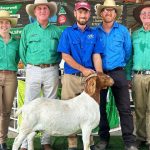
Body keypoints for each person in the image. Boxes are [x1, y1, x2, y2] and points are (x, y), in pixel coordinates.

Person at [57, 1, 103, 150]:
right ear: (75, 13)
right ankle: (72, 144)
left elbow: (96, 56)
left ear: (89, 14)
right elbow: (65, 55)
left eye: (85, 12)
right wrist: (83, 69)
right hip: (71, 77)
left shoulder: (94, 33)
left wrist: (99, 75)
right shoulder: (67, 32)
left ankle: (88, 143)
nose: (83, 15)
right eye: (80, 12)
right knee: (68, 109)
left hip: (90, 79)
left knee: (89, 111)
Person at [95, 0, 138, 150]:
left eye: (111, 10)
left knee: (125, 108)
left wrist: (125, 73)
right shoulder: (95, 31)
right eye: (105, 10)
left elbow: (128, 53)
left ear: (116, 13)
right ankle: (103, 140)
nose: (108, 12)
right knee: (100, 108)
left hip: (118, 73)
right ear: (101, 13)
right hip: (100, 74)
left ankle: (129, 142)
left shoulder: (123, 31)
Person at [19, 0, 61, 150]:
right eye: (39, 8)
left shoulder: (57, 31)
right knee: (30, 106)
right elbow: (22, 52)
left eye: (45, 8)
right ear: (35, 12)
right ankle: (24, 142)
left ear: (49, 12)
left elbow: (61, 52)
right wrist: (31, 65)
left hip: (52, 70)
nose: (42, 10)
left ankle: (45, 141)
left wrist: (53, 66)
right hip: (33, 69)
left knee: (51, 106)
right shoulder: (27, 30)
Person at [130, 1, 150, 149]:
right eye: (144, 13)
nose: (146, 15)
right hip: (138, 76)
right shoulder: (134, 35)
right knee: (139, 108)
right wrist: (127, 77)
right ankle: (141, 137)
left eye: (149, 13)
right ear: (140, 17)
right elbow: (130, 56)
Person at [0, 10, 19, 150]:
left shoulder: (15, 43)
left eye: (7, 22)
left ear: (10, 25)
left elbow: (17, 59)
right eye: (1, 22)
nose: (4, 25)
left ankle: (2, 141)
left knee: (6, 111)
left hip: (11, 76)